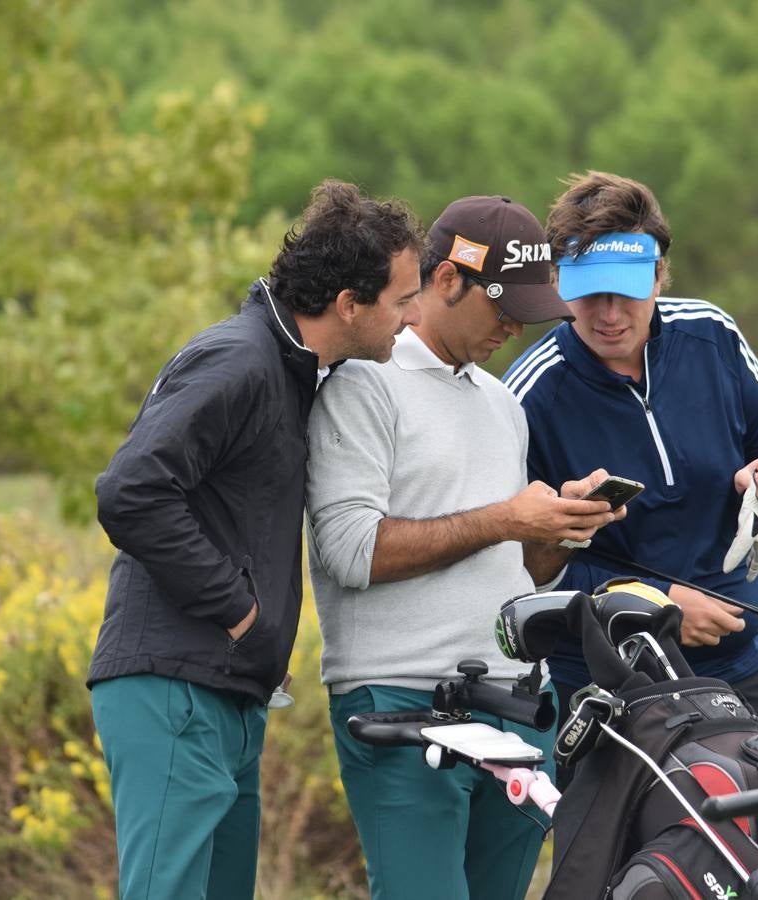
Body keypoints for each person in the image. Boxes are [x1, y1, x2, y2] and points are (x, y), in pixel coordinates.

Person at [87, 179, 425, 900]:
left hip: (226, 693)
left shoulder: (294, 372)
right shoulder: (239, 360)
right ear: (349, 304)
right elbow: (129, 490)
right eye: (402, 300)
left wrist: (260, 643)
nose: (413, 317)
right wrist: (242, 612)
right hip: (175, 688)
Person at [306, 195, 624, 900]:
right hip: (403, 701)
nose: (515, 328)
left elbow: (516, 571)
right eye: (503, 307)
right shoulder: (362, 382)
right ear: (446, 279)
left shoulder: (501, 402)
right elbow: (351, 552)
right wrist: (507, 518)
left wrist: (558, 532)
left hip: (518, 703)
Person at [503, 172, 758, 736]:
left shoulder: (712, 336)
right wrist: (658, 606)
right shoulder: (528, 394)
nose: (609, 313)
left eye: (626, 290)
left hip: (740, 672)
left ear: (659, 275)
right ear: (557, 280)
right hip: (606, 689)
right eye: (589, 293)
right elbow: (521, 567)